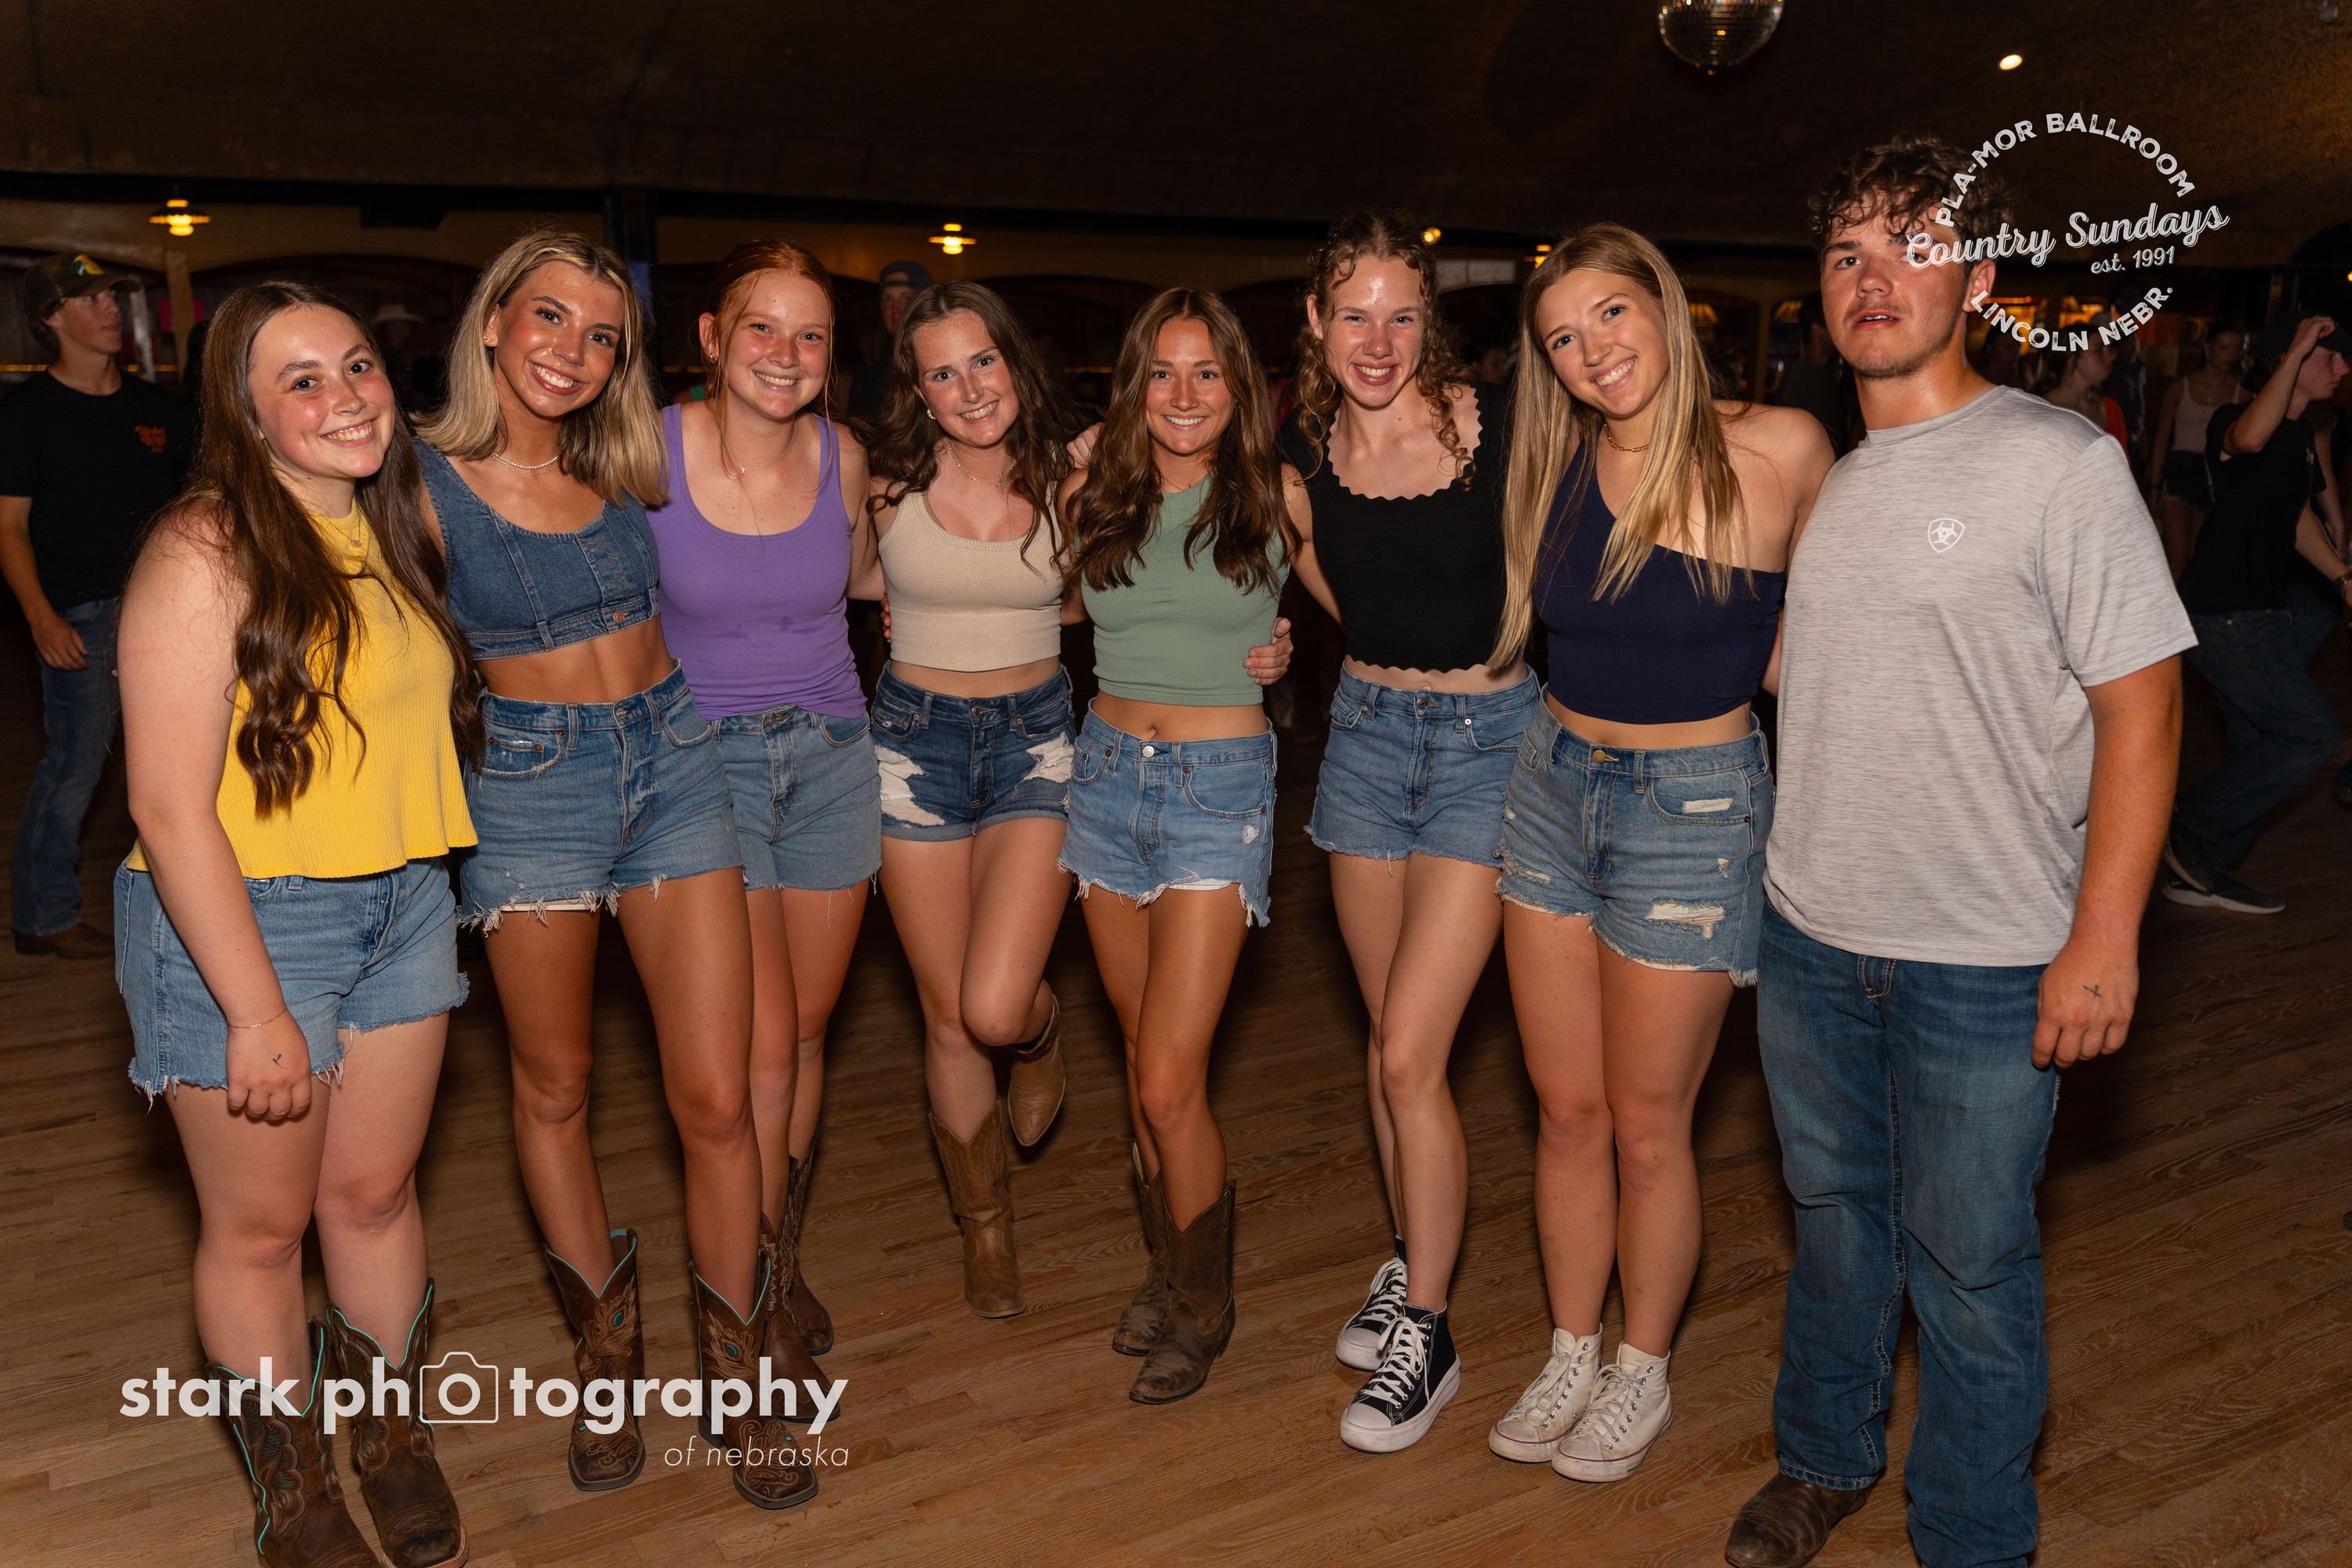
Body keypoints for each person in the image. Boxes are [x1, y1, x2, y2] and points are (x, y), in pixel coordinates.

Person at [1726, 135, 2191, 1568]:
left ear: (1979, 280)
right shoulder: (1832, 479)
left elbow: (2145, 707)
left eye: (1915, 247)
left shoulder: (2060, 465)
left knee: (1972, 1264)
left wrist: (2105, 935)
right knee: (1835, 1225)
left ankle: (1976, 1536)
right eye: (1848, 253)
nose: (1876, 279)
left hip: (1988, 957)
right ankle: (1824, 1458)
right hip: (1813, 935)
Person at [416, 227, 812, 1512]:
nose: (571, 352)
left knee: (718, 1100)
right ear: (493, 321)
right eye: (548, 319)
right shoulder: (416, 482)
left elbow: (783, 447)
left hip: (676, 761)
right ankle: (605, 1360)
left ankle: (739, 1383)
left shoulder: (632, 461)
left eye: (600, 335)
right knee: (556, 1087)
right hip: (529, 788)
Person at [117, 282, 478, 1568]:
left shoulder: (398, 520)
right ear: (248, 412)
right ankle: (297, 1495)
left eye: (358, 365)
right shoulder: (204, 547)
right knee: (264, 1232)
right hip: (245, 927)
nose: (345, 397)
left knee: (373, 1199)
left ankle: (389, 1441)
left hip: (406, 903)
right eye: (303, 381)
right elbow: (167, 806)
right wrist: (255, 1008)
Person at [861, 279, 1292, 1320]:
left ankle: (1038, 1030)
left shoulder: (1078, 476)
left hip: (1043, 746)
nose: (970, 387)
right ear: (917, 390)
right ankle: (988, 1231)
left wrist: (1271, 639)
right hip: (913, 746)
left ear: (1017, 362)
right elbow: (831, 586)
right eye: (942, 372)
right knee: (948, 1018)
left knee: (995, 1005)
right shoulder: (879, 491)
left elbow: (1111, 586)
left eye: (985, 360)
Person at [1483, 224, 1827, 1488]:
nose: (1594, 351)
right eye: (1564, 339)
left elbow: (1830, 641)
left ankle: (1643, 1366)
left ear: (1665, 307)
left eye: (1612, 314)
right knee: (1567, 1114)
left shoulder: (1783, 448)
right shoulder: (1552, 461)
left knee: (1646, 1124)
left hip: (1694, 809)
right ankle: (1571, 1348)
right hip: (1550, 787)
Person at [1267, 212, 1537, 1455]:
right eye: (1353, 314)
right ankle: (1405, 1255)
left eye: (1401, 315)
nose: (1377, 341)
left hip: (1490, 745)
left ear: (1432, 323)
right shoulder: (1300, 455)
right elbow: (1332, 585)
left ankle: (1428, 1333)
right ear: (1316, 324)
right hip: (1369, 741)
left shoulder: (1502, 427)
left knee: (1410, 1057)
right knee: (1389, 1046)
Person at [644, 239, 873, 1393]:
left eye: (810, 334)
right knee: (762, 1046)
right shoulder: (648, 453)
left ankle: (778, 1256)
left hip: (833, 758)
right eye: (762, 328)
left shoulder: (844, 455)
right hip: (707, 766)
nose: (786, 354)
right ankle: (756, 1299)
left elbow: (870, 581)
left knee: (805, 1037)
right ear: (711, 338)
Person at [1059, 288, 1295, 1405]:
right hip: (1104, 778)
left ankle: (1206, 1305)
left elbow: (1382, 609)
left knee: (1167, 1078)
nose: (1185, 394)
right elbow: (1045, 611)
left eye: (1208, 373)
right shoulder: (1090, 494)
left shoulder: (1279, 494)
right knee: (1139, 1055)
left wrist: (1289, 652)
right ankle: (1169, 1265)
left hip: (1218, 786)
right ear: (1135, 386)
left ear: (1239, 387)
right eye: (1163, 372)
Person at [0, 252, 193, 957]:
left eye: (113, 296)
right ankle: (43, 917)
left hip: (167, 611)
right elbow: (8, 528)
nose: (111, 309)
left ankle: (192, 908)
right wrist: (41, 617)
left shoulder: (156, 410)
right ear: (51, 319)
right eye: (91, 300)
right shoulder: (26, 415)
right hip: (82, 616)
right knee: (76, 766)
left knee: (184, 765)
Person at [2162, 310, 2351, 915]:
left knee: (2259, 743)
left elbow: (2297, 520)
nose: (2342, 367)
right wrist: (2296, 348)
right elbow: (2248, 440)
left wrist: (2343, 577)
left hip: (2258, 612)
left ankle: (2200, 871)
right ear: (2289, 359)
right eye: (2331, 355)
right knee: (2310, 732)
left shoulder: (2299, 439)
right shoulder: (2231, 421)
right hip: (2225, 615)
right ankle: (2188, 821)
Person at [2147, 323, 2251, 577]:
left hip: (2216, 475)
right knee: (2177, 559)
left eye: (2237, 349)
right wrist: (2153, 487)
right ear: (2207, 348)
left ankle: (2191, 603)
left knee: (2200, 560)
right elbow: (2161, 439)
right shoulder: (2179, 388)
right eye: (2224, 347)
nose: (2230, 354)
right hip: (2179, 472)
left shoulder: (2242, 393)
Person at [846, 260, 934, 421]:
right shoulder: (868, 380)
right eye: (888, 300)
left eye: (906, 298)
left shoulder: (944, 366)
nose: (895, 309)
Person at [1768, 293, 1847, 457]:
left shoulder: (1806, 371)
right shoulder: (1810, 376)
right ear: (1816, 330)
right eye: (1834, 325)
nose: (1842, 331)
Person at [2040, 332, 2129, 449]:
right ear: (2072, 360)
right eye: (2099, 350)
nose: (2112, 356)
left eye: (2108, 349)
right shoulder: (2042, 411)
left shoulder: (2111, 410)